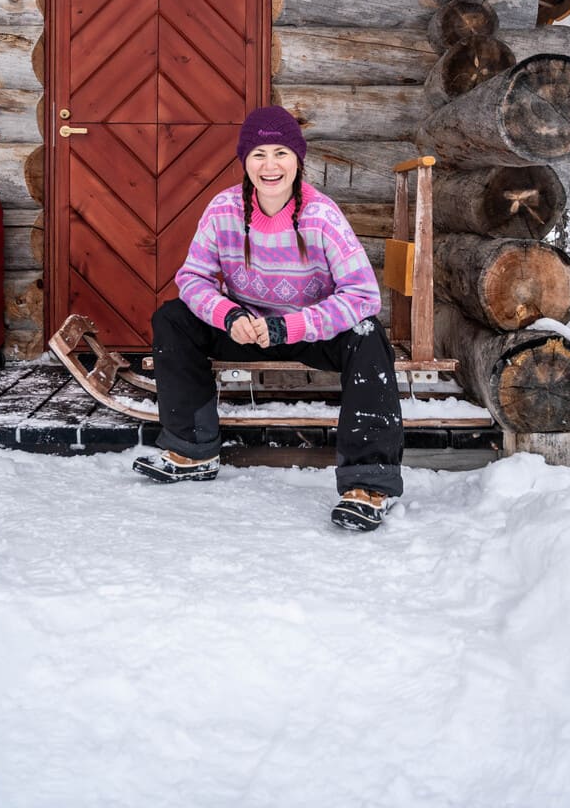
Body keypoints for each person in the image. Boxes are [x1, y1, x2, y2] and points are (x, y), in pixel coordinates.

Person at [133, 106, 404, 532]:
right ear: (245, 161)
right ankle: (192, 451)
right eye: (258, 154)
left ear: (298, 159)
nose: (270, 165)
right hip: (246, 326)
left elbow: (363, 295)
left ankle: (369, 483)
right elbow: (192, 278)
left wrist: (292, 326)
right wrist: (228, 314)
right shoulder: (223, 210)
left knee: (368, 336)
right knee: (173, 318)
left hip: (309, 330)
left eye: (281, 152)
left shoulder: (322, 216)